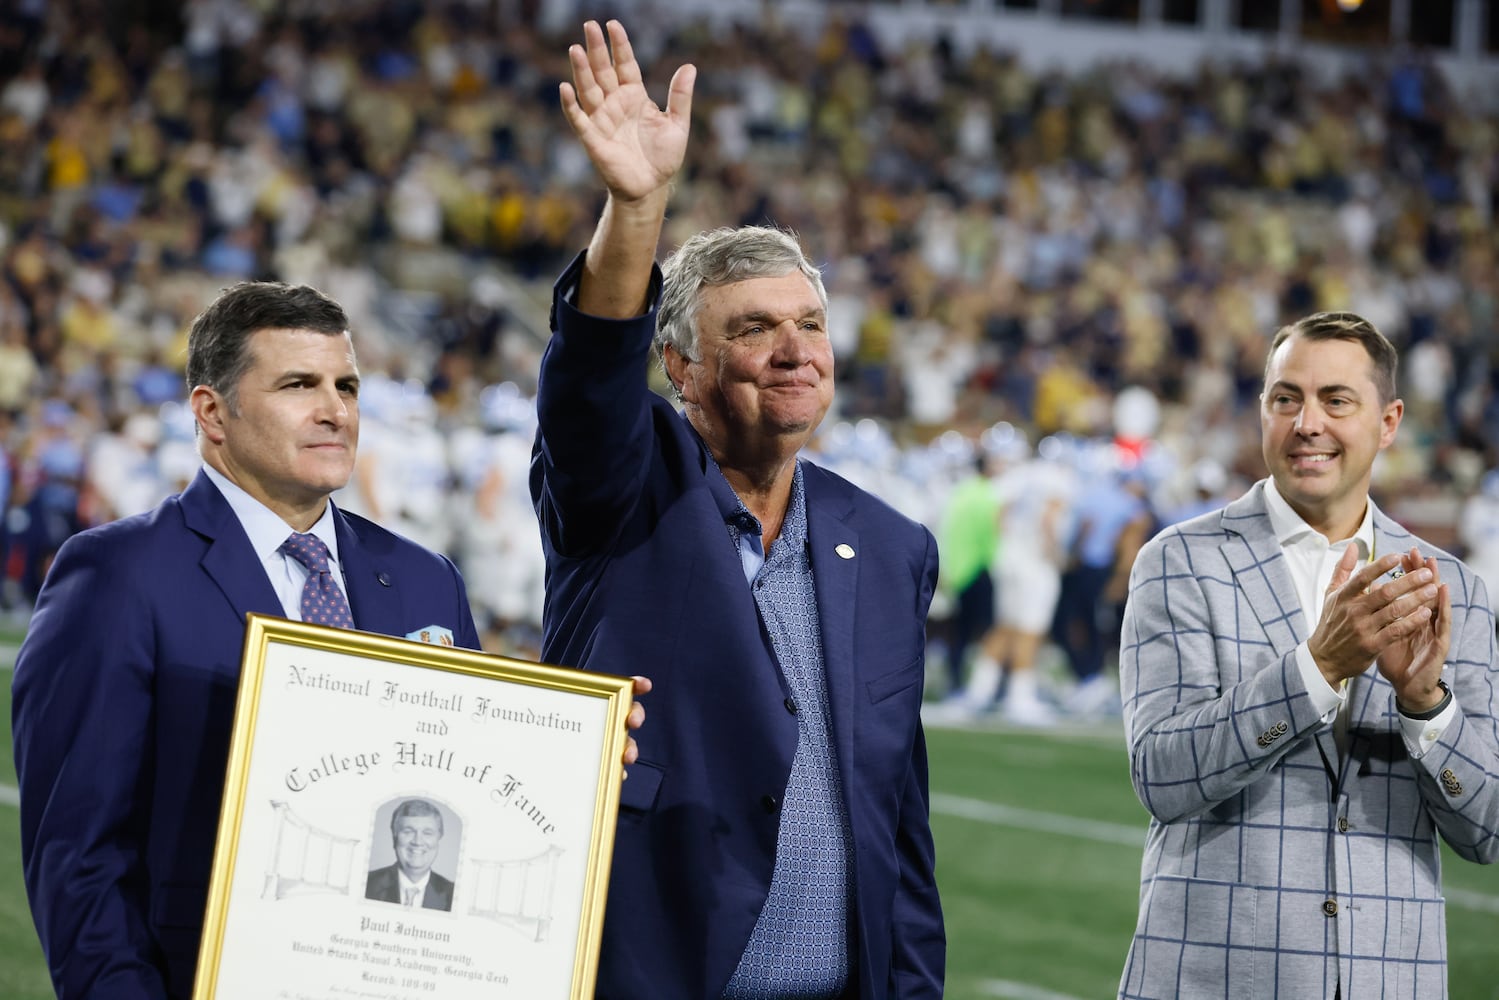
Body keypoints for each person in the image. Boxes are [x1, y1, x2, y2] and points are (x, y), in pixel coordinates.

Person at [11, 280, 646, 999]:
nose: (335, 410)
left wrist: (572, 763)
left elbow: (454, 789)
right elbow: (78, 856)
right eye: (297, 384)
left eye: (346, 385)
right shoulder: (119, 574)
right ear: (212, 412)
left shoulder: (423, 578)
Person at [531, 20, 943, 1000]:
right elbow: (588, 388)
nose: (795, 349)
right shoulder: (626, 492)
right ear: (680, 366)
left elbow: (898, 819)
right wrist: (637, 210)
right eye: (754, 329)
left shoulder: (888, 547)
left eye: (809, 325)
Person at [1117, 312, 1499, 999]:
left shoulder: (1453, 590)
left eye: (1336, 400)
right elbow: (1161, 777)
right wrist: (1315, 669)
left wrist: (1425, 709)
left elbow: (1486, 831)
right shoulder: (1178, 562)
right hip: (1212, 980)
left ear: (1387, 422)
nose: (1305, 423)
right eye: (1284, 398)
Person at [366, 799, 456, 911]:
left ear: (438, 839)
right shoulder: (366, 884)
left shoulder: (454, 896)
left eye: (427, 833)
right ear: (394, 837)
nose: (417, 842)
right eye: (408, 831)